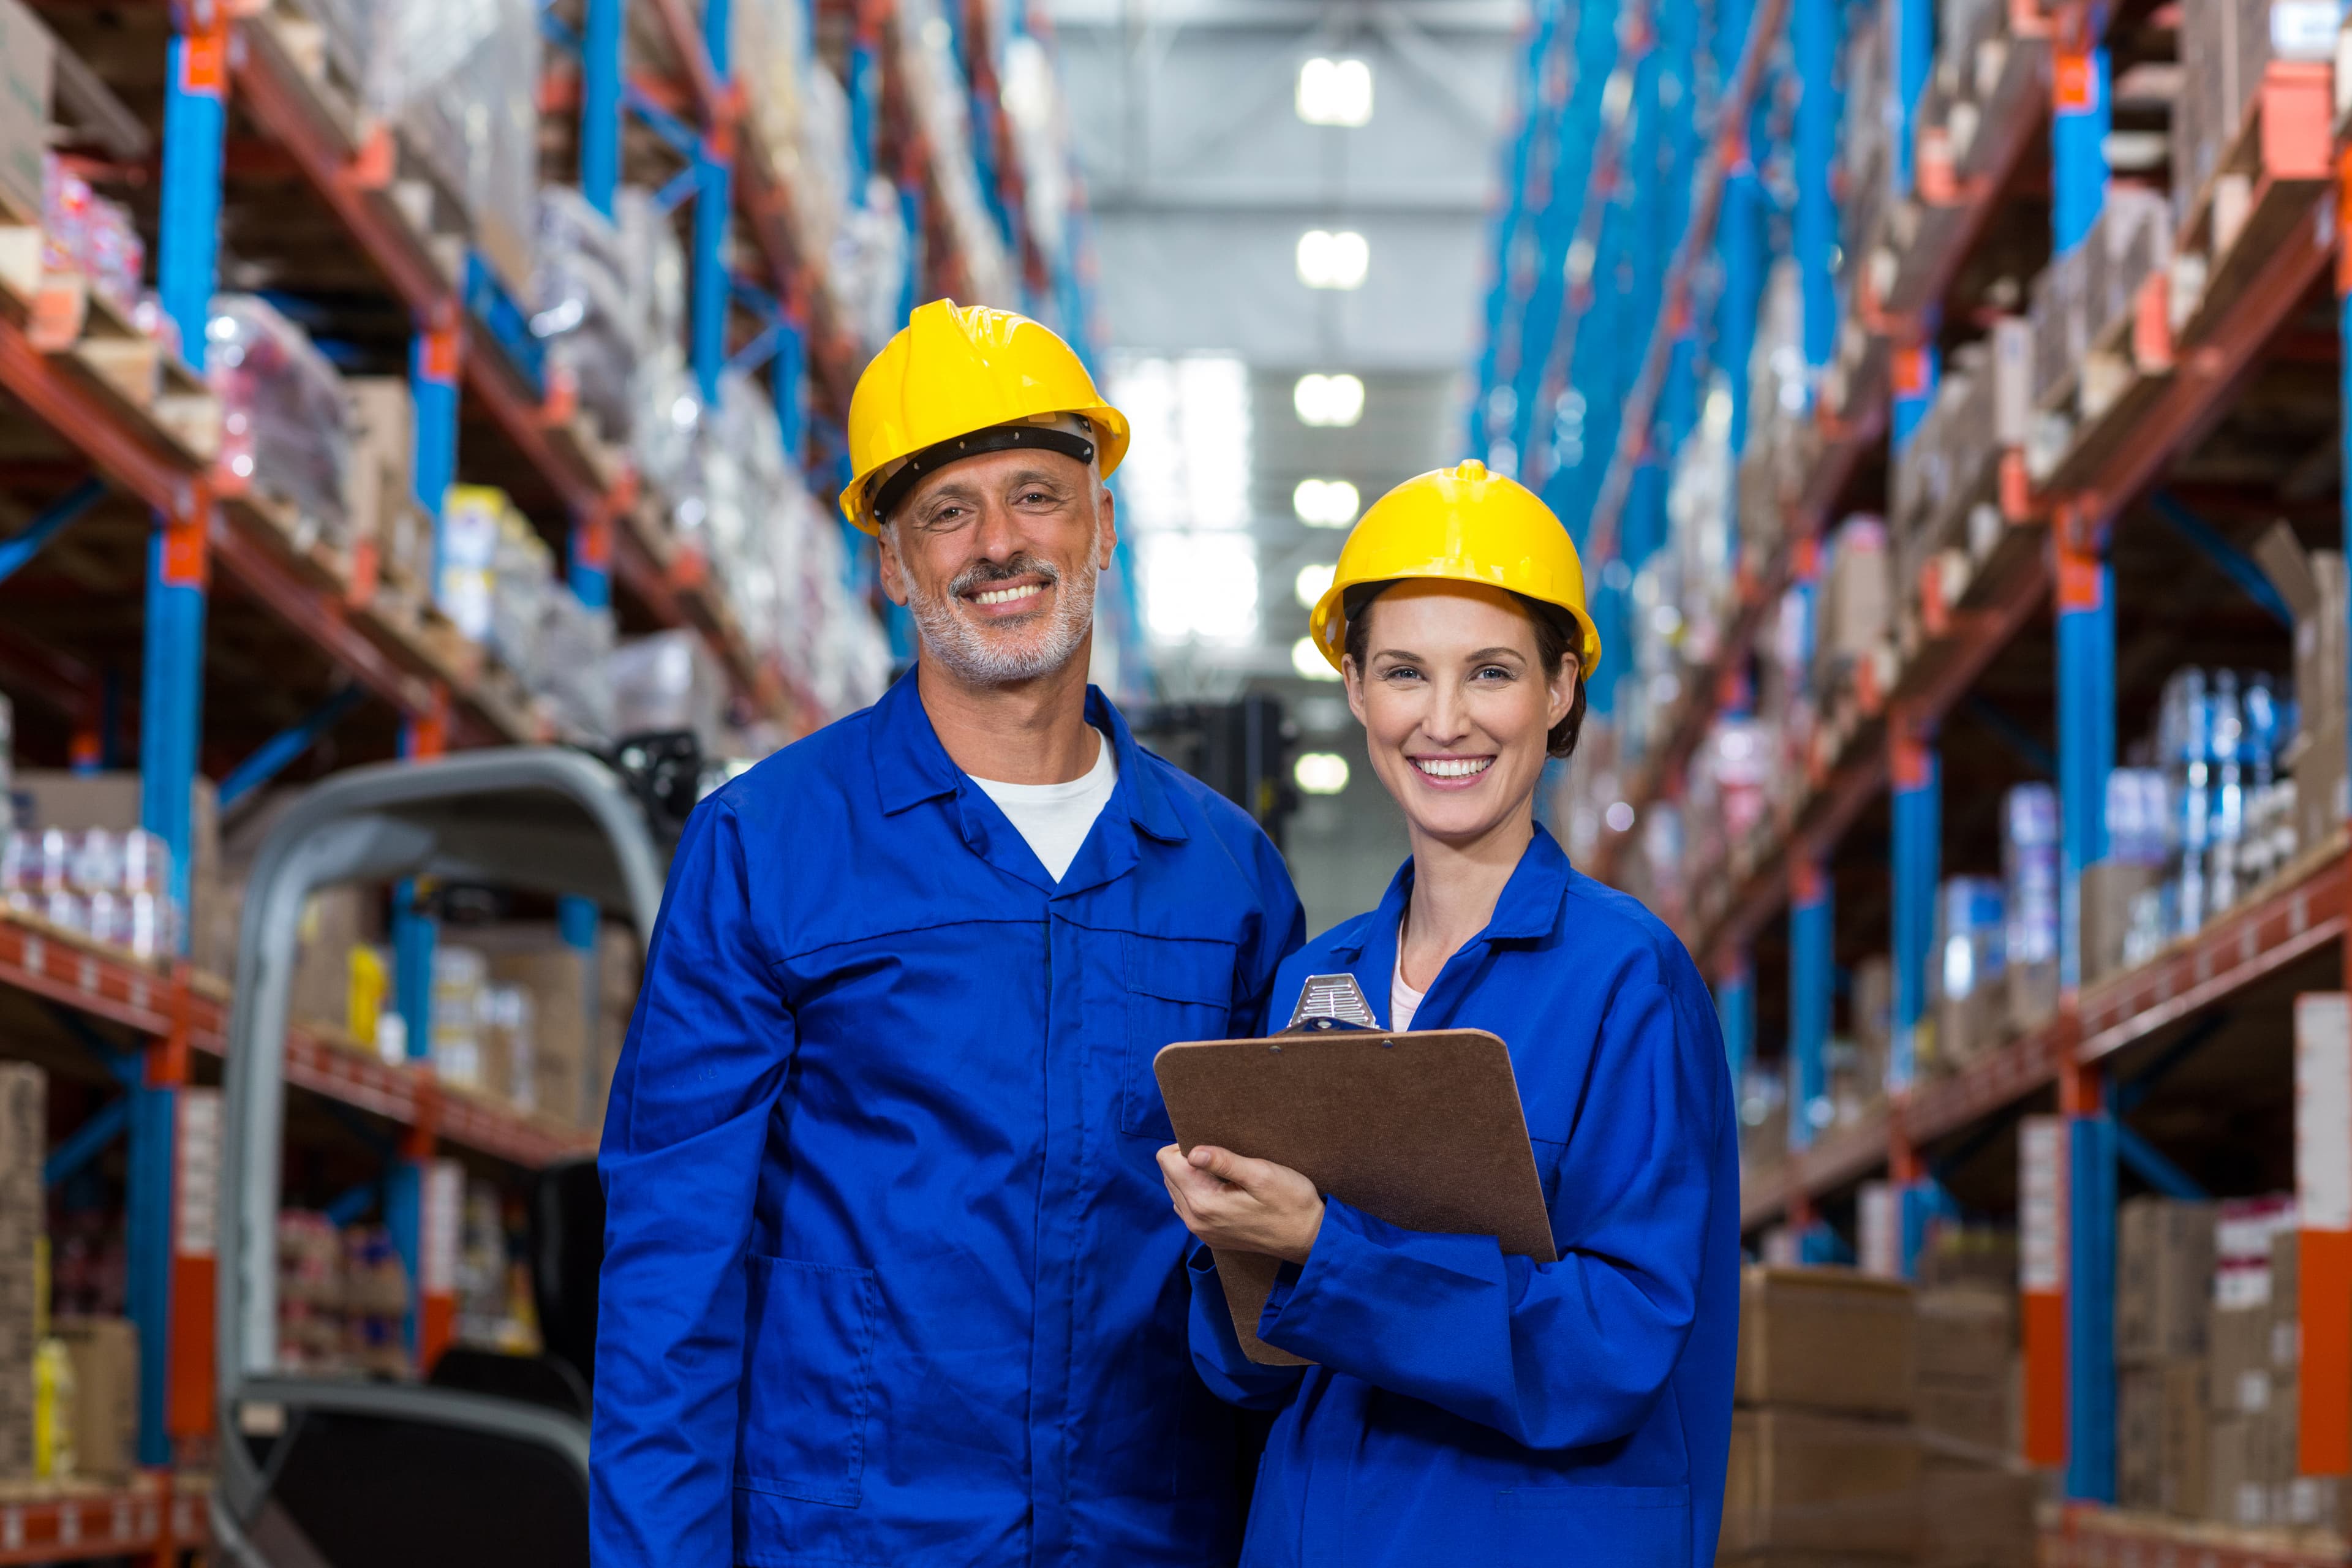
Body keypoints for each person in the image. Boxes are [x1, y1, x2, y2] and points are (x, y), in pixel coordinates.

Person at [592, 300, 1305, 1567]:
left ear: (1101, 523)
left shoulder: (1227, 876)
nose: (998, 542)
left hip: (1151, 1535)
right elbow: (671, 1277)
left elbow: (1266, 1268)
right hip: (857, 1537)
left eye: (1037, 492)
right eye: (945, 510)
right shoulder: (770, 843)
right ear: (891, 560)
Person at [1158, 459, 1740, 1567]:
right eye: (1404, 672)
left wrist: (1327, 1252)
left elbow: (1620, 1346)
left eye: (1491, 672)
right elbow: (1246, 1370)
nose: (1445, 720)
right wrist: (1229, 1249)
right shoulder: (1315, 985)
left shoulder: (1628, 980)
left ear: (1562, 689)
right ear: (1357, 692)